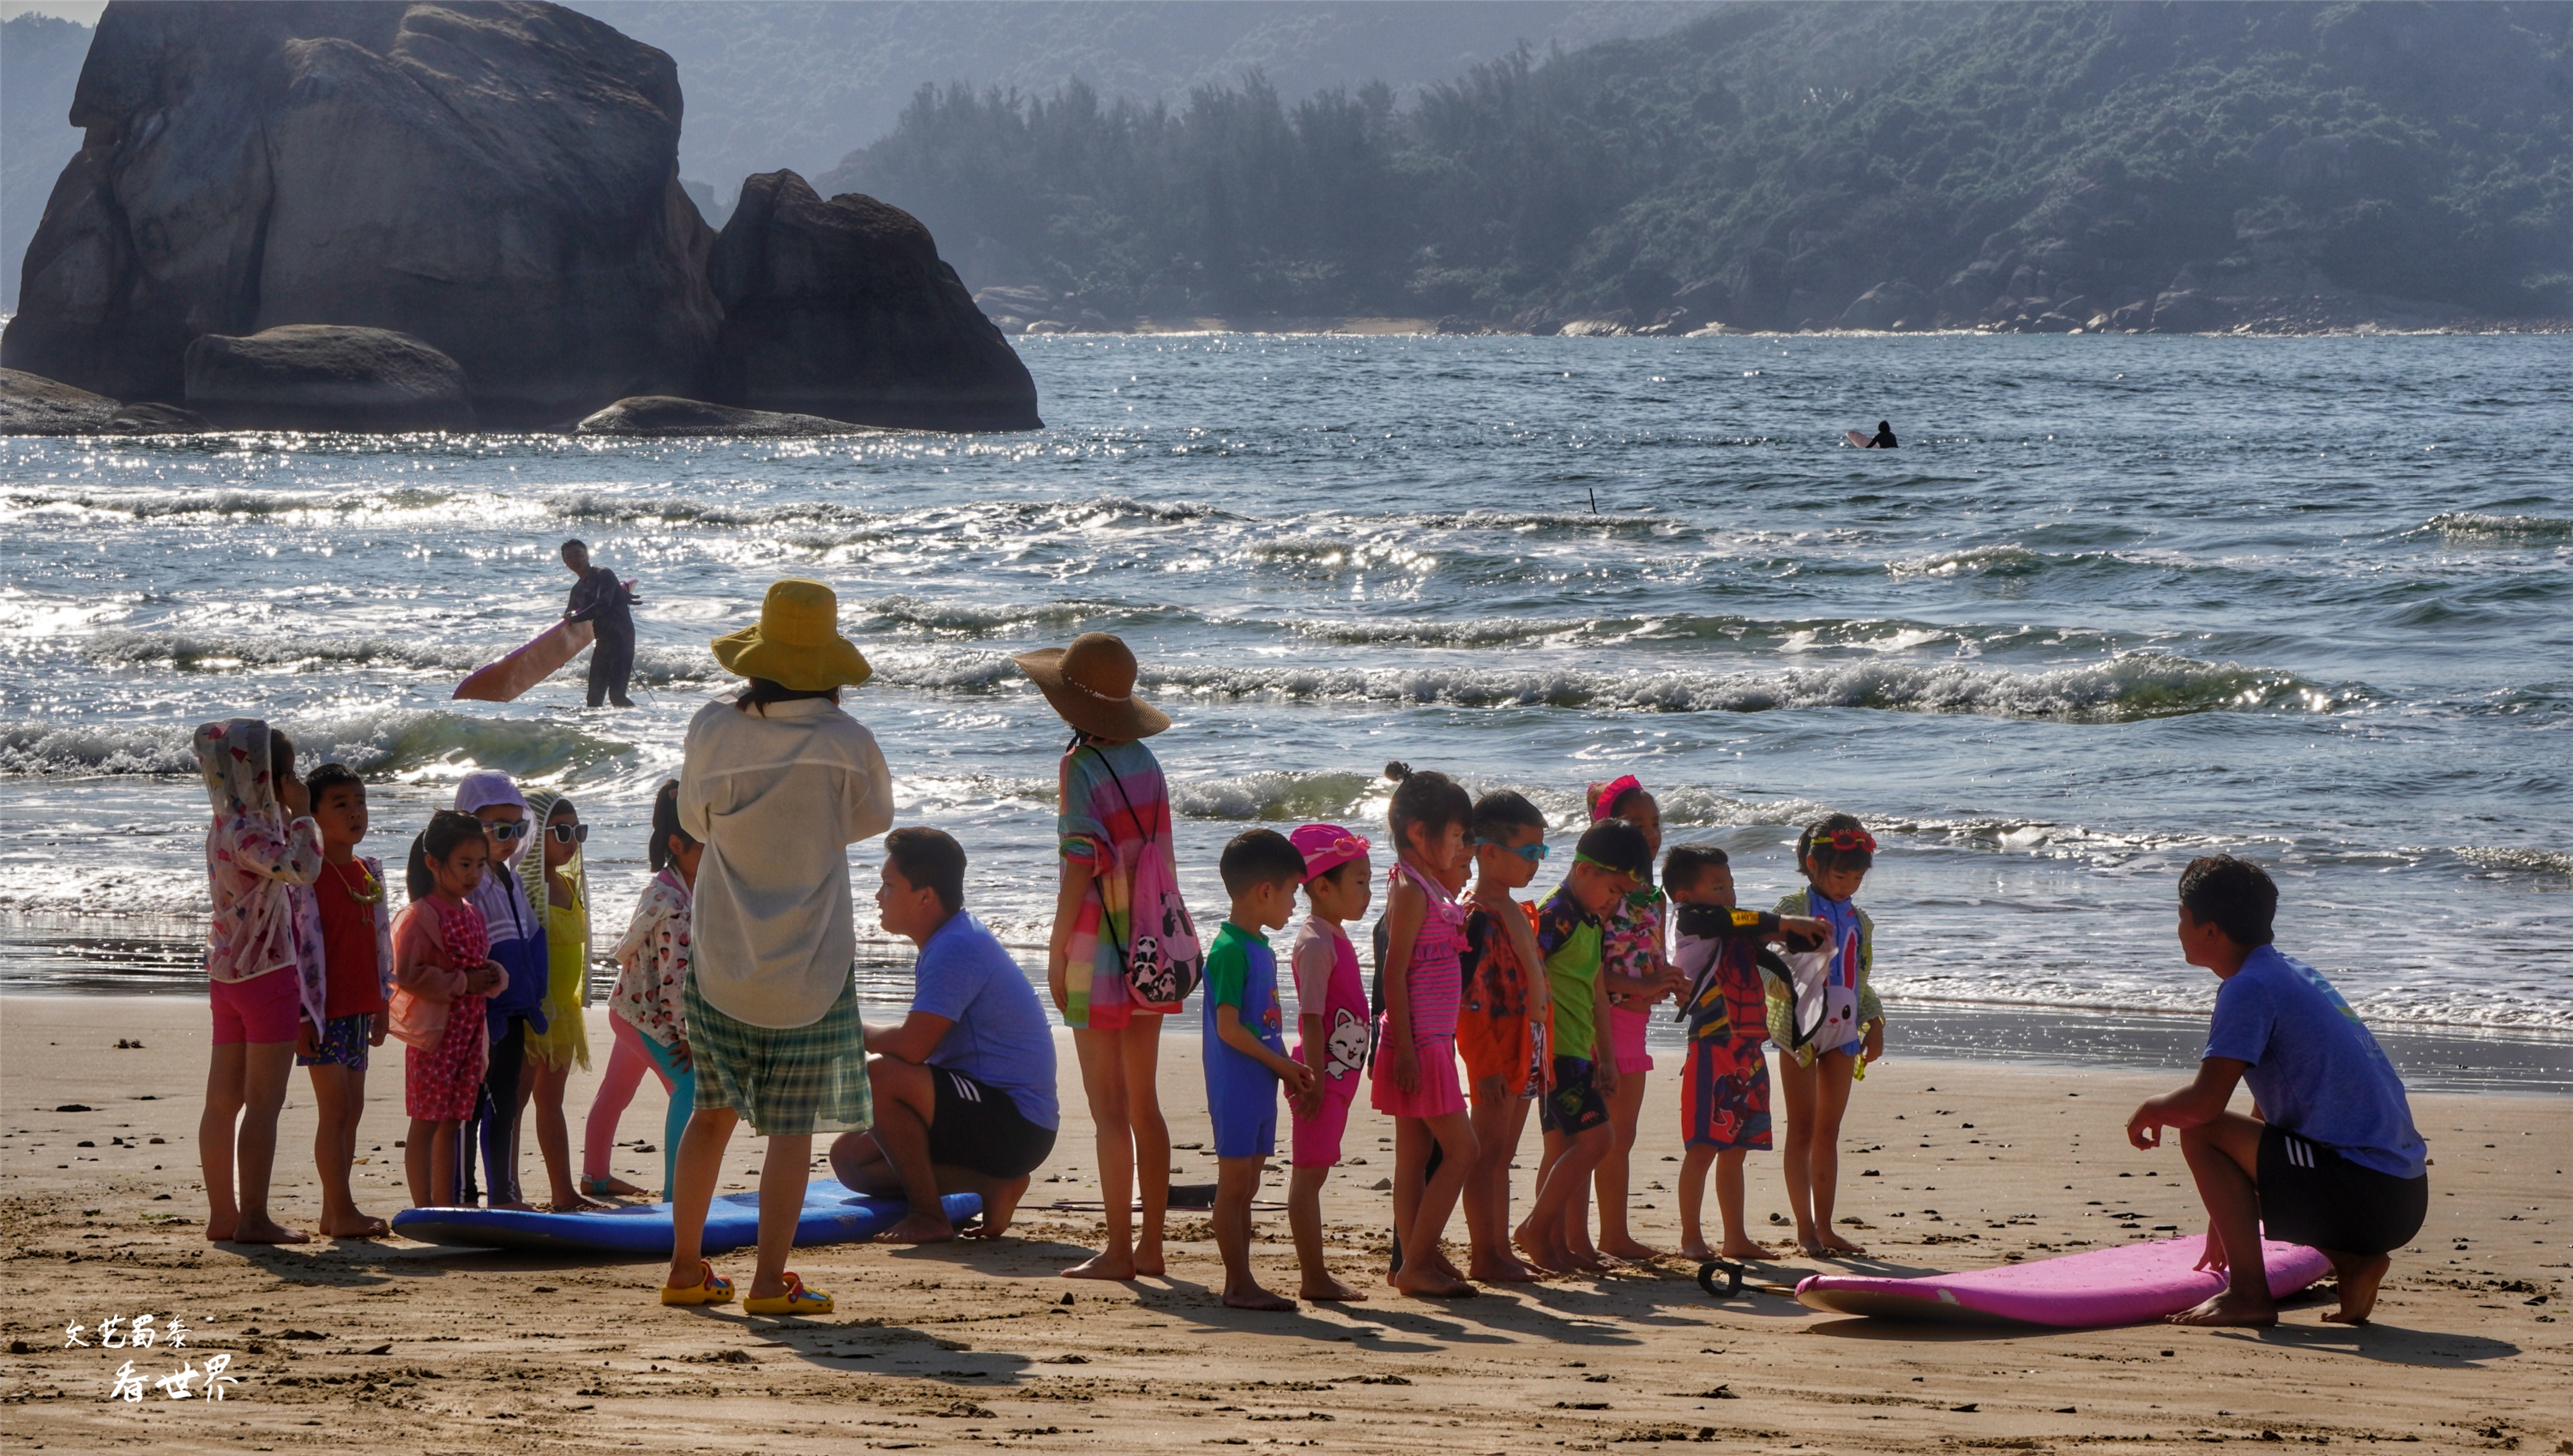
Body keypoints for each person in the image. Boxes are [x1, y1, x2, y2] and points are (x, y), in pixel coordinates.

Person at [660, 578, 890, 1315]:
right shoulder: (848, 742)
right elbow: (870, 822)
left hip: (723, 958)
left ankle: (686, 1269)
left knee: (710, 1117)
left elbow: (694, 822)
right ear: (829, 667)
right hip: (811, 968)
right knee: (789, 1133)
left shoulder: (712, 728)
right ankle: (767, 1284)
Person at [2126, 856, 2429, 1328]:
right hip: (2401, 1194)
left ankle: (2248, 1294)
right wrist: (2230, 1206)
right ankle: (2355, 1264)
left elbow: (2205, 1106)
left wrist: (2153, 1108)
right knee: (2216, 1133)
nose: (2177, 927)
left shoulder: (2248, 988)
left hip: (2367, 1197)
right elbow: (2274, 1103)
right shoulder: (2291, 974)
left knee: (2199, 1130)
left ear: (2210, 931)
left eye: (2182, 916)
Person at [1020, 630, 1192, 1282]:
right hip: (1154, 942)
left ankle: (1119, 1251)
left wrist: (1057, 948)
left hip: (1099, 946)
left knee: (1108, 1110)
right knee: (1144, 1106)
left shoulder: (1079, 766)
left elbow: (1078, 870)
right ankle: (1151, 1245)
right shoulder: (1147, 761)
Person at [829, 827, 1061, 1244]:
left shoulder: (956, 946)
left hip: (1017, 1123)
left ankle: (928, 1214)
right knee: (850, 1161)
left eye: (888, 885)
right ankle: (991, 1185)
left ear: (925, 896)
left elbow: (913, 1048)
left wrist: (844, 1030)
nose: (878, 896)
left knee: (877, 1076)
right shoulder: (947, 938)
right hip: (991, 1114)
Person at [191, 719, 326, 1244]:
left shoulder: (223, 823)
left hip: (228, 972)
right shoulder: (255, 829)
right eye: (286, 775)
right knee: (262, 1104)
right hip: (267, 974)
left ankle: (223, 1215)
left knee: (222, 1101)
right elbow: (302, 868)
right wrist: (306, 814)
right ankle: (252, 1218)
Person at [1666, 844, 1826, 1260]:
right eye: (1718, 886)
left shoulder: (1735, 928)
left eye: (1731, 885)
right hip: (1711, 1050)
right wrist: (1784, 920)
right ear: (1684, 896)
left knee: (1736, 1150)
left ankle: (1735, 1237)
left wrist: (1808, 936)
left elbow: (1769, 940)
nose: (1729, 895)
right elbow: (1731, 918)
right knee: (1702, 1148)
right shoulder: (1692, 921)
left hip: (1749, 1053)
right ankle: (1690, 1238)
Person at [1517, 815, 1651, 1273]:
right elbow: (1529, 973)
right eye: (1612, 890)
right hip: (1556, 1053)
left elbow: (1596, 992)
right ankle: (1537, 1228)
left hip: (1581, 1051)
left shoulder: (1591, 921)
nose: (1615, 902)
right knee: (1598, 1140)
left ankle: (1562, 1244)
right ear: (1585, 870)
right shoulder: (1556, 915)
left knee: (1562, 1149)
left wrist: (1608, 1057)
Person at [1369, 761, 1479, 1298]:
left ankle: (1411, 1260)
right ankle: (1416, 1261)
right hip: (1418, 1044)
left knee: (1413, 1157)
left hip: (1426, 1041)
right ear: (1419, 833)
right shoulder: (1410, 888)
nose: (1462, 846)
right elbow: (1394, 969)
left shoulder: (1427, 885)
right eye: (1456, 835)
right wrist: (1409, 1049)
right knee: (1463, 1151)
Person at [1199, 829, 1317, 1309]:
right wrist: (1282, 1065)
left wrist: (1282, 1064)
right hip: (1237, 1083)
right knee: (1233, 1187)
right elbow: (1228, 1029)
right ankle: (1237, 1283)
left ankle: (1243, 1279)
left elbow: (1260, 1023)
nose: (1294, 904)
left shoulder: (1259, 947)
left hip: (1261, 1079)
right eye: (1291, 892)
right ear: (1265, 891)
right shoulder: (1229, 950)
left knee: (1249, 1183)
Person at [1770, 813, 1886, 1258]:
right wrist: (1803, 976)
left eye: (1857, 878)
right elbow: (1767, 973)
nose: (1848, 886)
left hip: (1843, 1030)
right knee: (1800, 1128)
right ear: (1811, 865)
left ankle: (1826, 1226)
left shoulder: (1860, 919)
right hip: (1799, 1030)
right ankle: (1804, 1229)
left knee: (1828, 1131)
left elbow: (1861, 978)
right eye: (1841, 876)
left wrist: (1874, 1021)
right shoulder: (1789, 908)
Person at [1455, 790, 1552, 1283]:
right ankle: (1484, 1253)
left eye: (1543, 851)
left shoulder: (1514, 908)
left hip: (1525, 1048)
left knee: (1503, 1156)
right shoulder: (1475, 917)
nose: (1537, 862)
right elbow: (1469, 1002)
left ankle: (1499, 1249)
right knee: (1487, 1156)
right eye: (1530, 851)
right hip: (1495, 1055)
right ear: (1488, 852)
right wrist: (1484, 1063)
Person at [586, 781, 698, 1199]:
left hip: (631, 1007)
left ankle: (594, 1175)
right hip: (647, 1016)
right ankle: (677, 1195)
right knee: (689, 1088)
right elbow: (676, 983)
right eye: (706, 845)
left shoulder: (672, 883)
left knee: (616, 1089)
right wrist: (689, 1038)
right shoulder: (673, 905)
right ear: (677, 843)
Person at [392, 810, 509, 1209]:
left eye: (480, 864)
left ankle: (445, 1205)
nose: (474, 873)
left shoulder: (471, 912)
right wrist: (461, 982)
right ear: (433, 863)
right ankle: (422, 1207)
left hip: (469, 1036)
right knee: (426, 1121)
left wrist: (493, 975)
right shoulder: (419, 916)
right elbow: (406, 974)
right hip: (434, 1038)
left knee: (454, 1122)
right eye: (464, 864)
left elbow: (477, 964)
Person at [295, 762, 393, 1238]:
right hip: (323, 1013)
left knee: (351, 1110)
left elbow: (378, 943)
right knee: (333, 1111)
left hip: (359, 1007)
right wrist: (299, 1014)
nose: (355, 813)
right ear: (312, 815)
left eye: (360, 803)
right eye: (341, 805)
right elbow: (299, 948)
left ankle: (334, 1210)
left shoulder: (365, 870)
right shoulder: (307, 875)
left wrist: (382, 1001)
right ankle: (343, 1210)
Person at [1588, 775, 1679, 1262]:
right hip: (1598, 1025)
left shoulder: (1653, 896)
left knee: (1621, 1137)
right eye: (1636, 823)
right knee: (1589, 1136)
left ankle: (1613, 1234)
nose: (1650, 832)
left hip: (1634, 1024)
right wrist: (1641, 986)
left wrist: (1665, 978)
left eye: (1656, 823)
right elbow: (1583, 971)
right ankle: (1568, 1232)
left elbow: (1647, 956)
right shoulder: (1604, 893)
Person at [1283, 821, 1374, 1302]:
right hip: (1318, 1076)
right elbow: (1313, 1018)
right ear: (1322, 886)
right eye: (1359, 882)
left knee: (1316, 1171)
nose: (1368, 893)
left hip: (1336, 1076)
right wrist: (1314, 1080)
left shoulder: (1333, 934)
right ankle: (1313, 1277)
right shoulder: (1316, 942)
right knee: (1308, 1176)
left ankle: (1315, 1274)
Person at [453, 771, 548, 1209]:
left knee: (505, 1102)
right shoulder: (468, 884)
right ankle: (462, 1193)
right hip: (476, 1012)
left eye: (518, 828)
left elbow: (530, 938)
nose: (510, 839)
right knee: (468, 1105)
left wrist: (534, 995)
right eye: (499, 829)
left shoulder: (511, 879)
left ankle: (504, 1193)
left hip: (513, 1010)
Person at [518, 791, 602, 1212]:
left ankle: (562, 1190)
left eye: (578, 831)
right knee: (513, 1104)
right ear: (534, 836)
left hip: (562, 1013)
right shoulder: (524, 888)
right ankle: (507, 1187)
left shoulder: (568, 884)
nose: (572, 841)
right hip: (530, 1010)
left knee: (551, 1103)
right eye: (563, 831)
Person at [562, 538, 638, 709]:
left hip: (621, 640)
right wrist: (558, 654)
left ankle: (641, 727)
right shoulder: (577, 589)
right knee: (593, 699)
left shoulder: (604, 574)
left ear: (587, 555)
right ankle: (598, 732)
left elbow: (601, 607)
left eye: (578, 554)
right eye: (569, 557)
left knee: (617, 696)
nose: (575, 560)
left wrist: (573, 618)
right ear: (565, 563)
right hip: (603, 642)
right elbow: (567, 622)